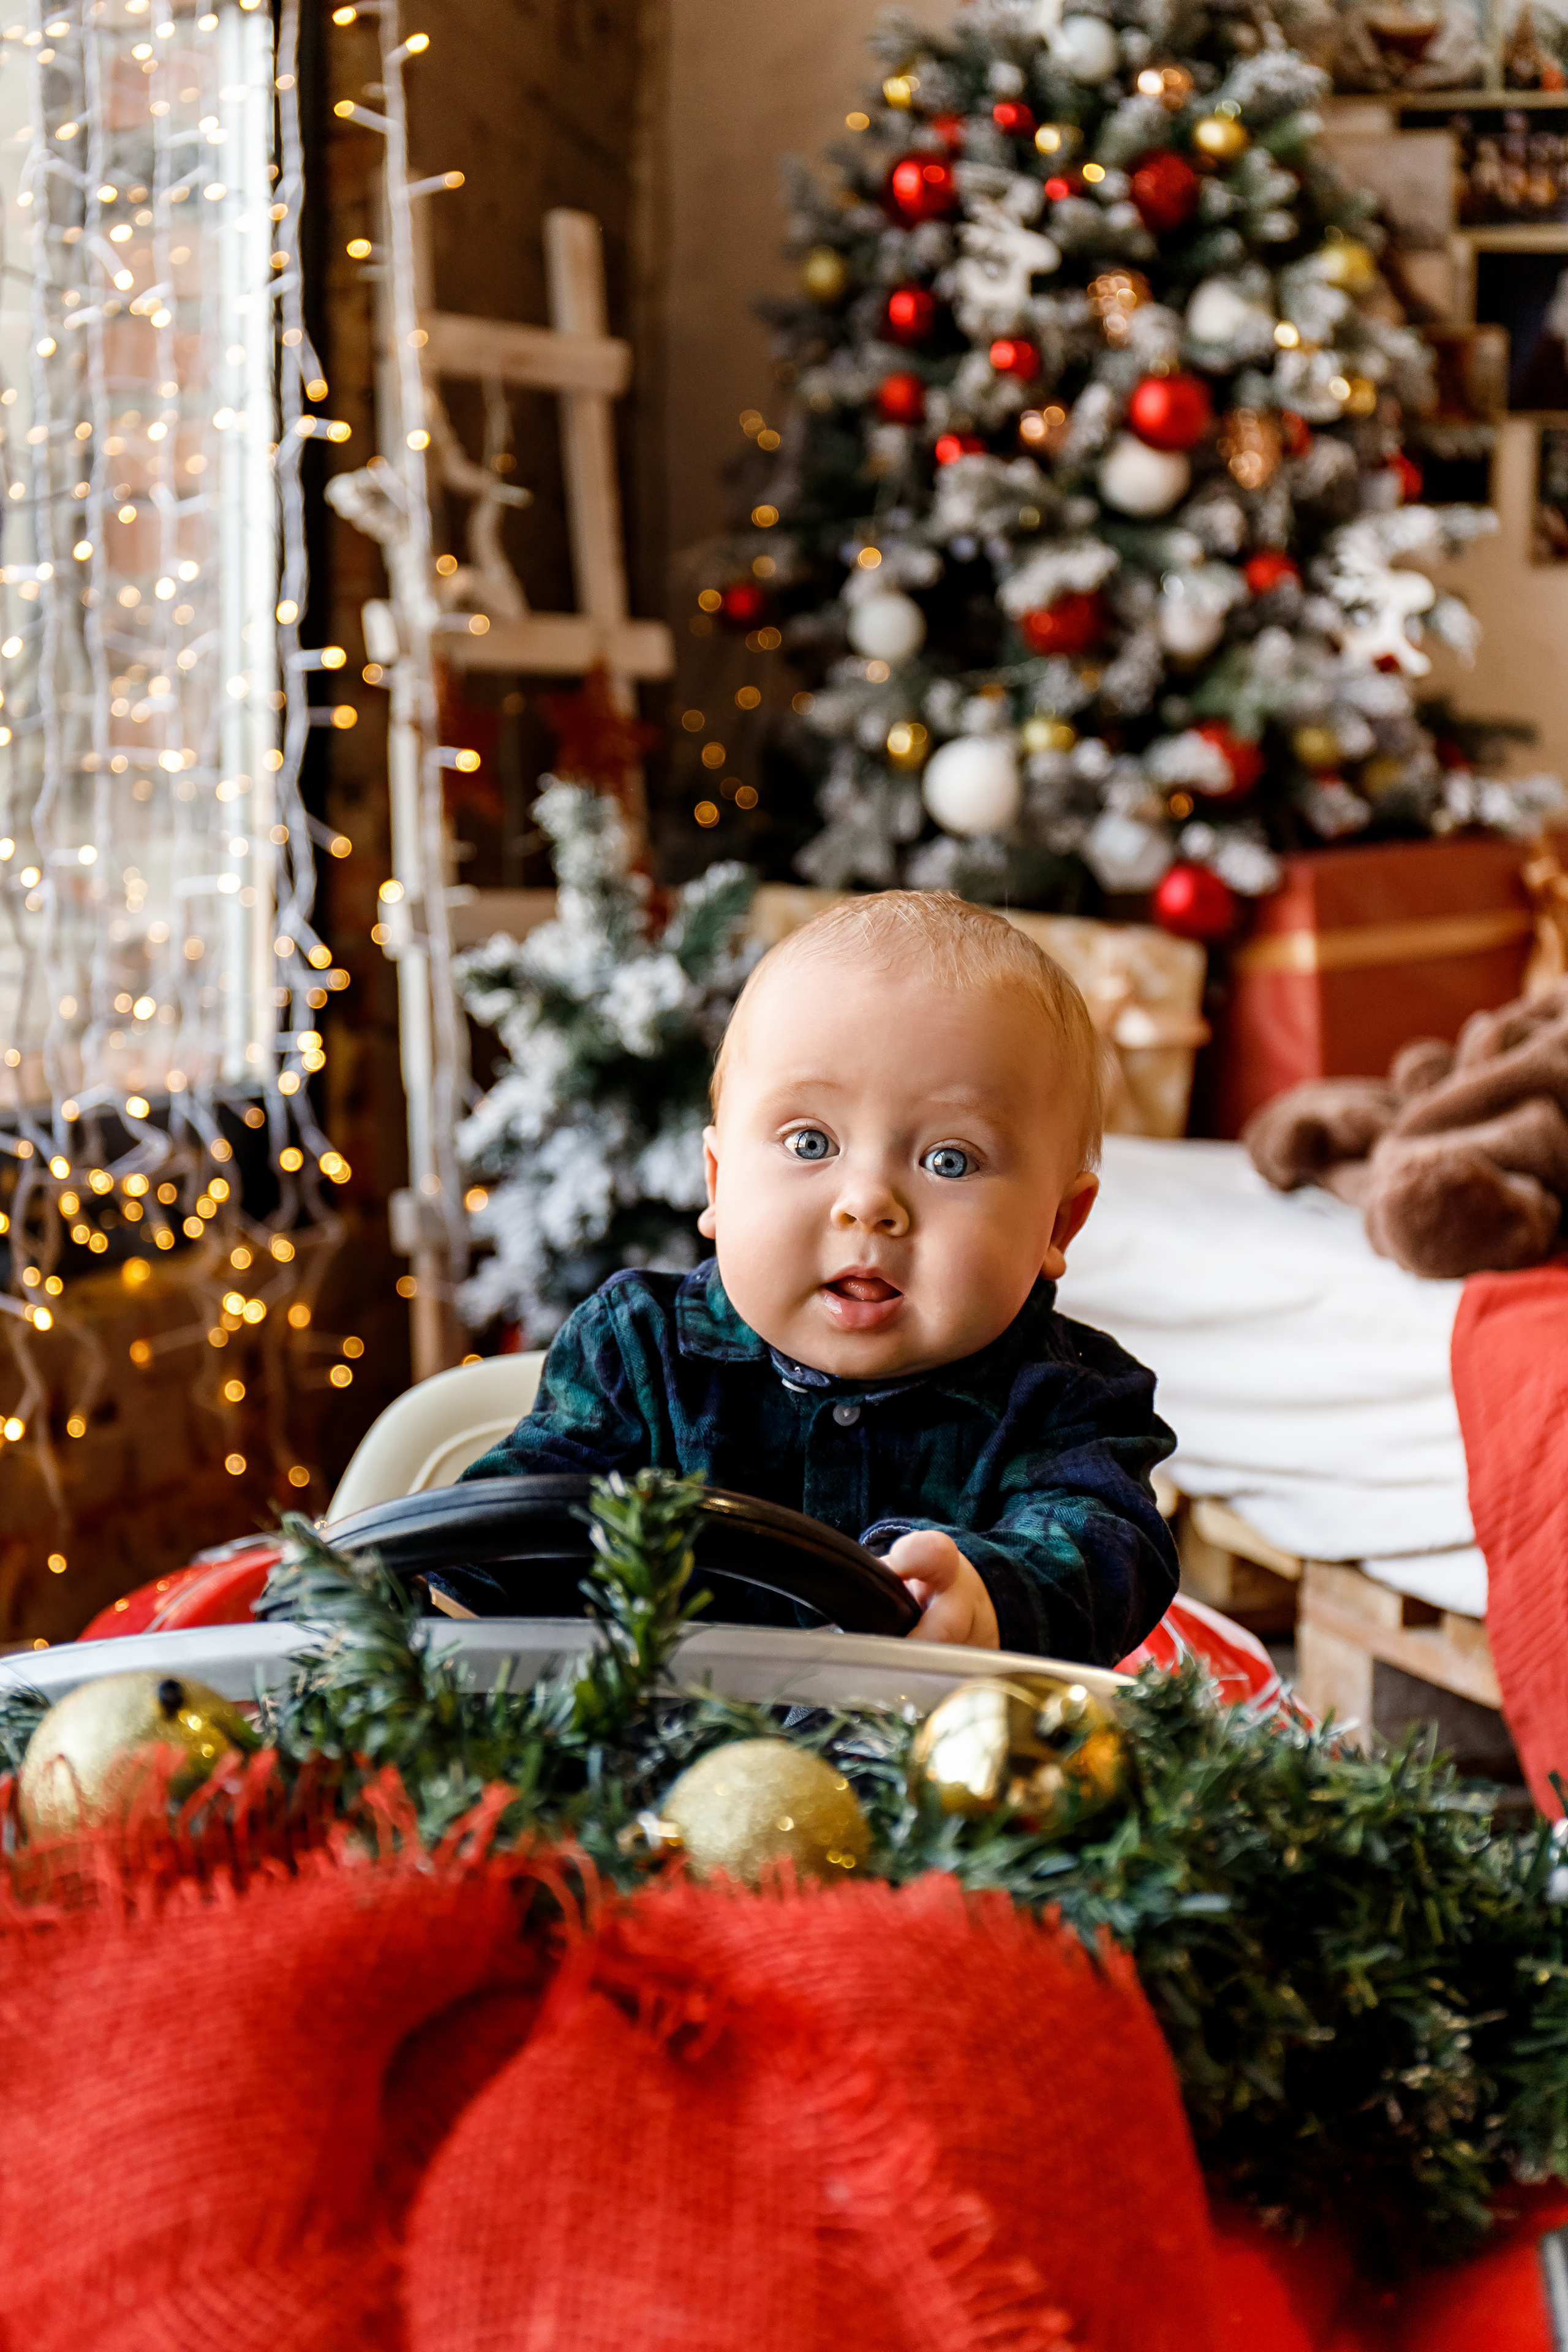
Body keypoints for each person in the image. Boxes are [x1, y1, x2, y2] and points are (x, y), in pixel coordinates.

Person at [463, 892, 1178, 1662]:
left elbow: (1105, 1549)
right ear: (718, 1182)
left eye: (950, 1160)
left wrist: (985, 1595)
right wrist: (446, 1579)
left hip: (929, 1761)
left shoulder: (1066, 1399)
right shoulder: (636, 1351)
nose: (868, 1203)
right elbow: (528, 1512)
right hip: (655, 1750)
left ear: (1057, 1226)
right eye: (810, 1143)